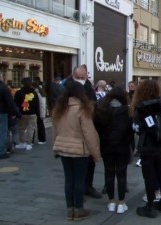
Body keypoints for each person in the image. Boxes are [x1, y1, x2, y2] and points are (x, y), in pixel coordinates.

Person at [52, 82, 101, 221]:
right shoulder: (82, 109)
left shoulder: (59, 108)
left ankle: (70, 210)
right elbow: (89, 133)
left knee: (69, 179)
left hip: (63, 148)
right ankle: (79, 209)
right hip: (80, 150)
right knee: (79, 180)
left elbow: (55, 131)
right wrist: (96, 154)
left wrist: (55, 147)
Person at [60, 65, 102, 199]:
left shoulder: (89, 88)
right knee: (74, 174)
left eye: (82, 78)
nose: (80, 80)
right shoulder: (65, 89)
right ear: (73, 76)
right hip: (71, 136)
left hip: (84, 135)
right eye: (77, 78)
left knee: (88, 166)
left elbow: (94, 110)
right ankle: (77, 202)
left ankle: (86, 188)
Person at [131, 80, 161, 218]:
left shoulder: (143, 107)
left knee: (148, 176)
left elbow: (146, 126)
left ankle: (150, 206)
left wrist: (142, 127)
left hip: (148, 146)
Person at [94, 86, 134, 214]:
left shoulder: (101, 111)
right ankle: (121, 203)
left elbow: (97, 130)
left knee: (109, 173)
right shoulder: (127, 112)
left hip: (106, 146)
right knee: (122, 174)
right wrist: (132, 147)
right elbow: (131, 132)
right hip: (122, 146)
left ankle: (111, 202)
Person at [14, 77, 39, 151]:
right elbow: (37, 104)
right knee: (31, 128)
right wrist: (38, 113)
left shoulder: (18, 92)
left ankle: (22, 142)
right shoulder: (34, 92)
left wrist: (16, 113)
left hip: (22, 113)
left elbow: (16, 103)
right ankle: (29, 143)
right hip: (32, 113)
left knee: (21, 128)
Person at [0, 72, 20, 159]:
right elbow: (10, 103)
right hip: (1, 113)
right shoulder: (3, 88)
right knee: (2, 132)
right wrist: (17, 114)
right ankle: (1, 151)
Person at [32, 80, 46, 144]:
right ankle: (42, 139)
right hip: (39, 111)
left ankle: (41, 139)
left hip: (37, 111)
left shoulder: (38, 93)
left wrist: (42, 114)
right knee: (39, 125)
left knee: (37, 126)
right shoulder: (40, 92)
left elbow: (42, 104)